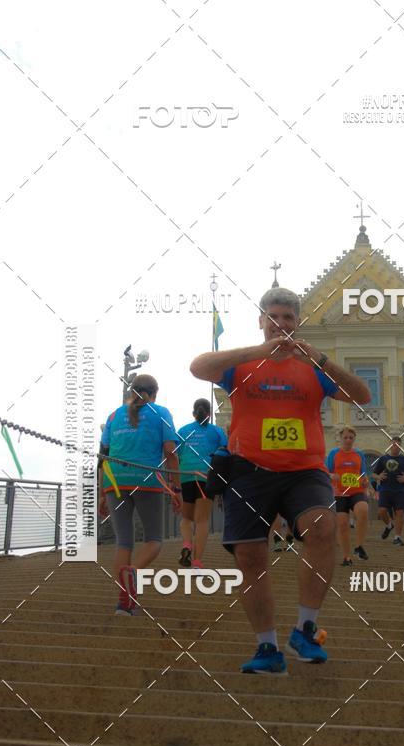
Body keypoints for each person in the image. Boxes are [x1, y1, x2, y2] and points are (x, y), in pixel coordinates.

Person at [190, 286, 371, 674]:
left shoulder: (313, 367)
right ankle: (267, 648)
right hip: (248, 471)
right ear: (261, 321)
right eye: (273, 317)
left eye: (288, 318)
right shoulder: (242, 365)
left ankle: (305, 629)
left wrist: (320, 358)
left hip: (304, 471)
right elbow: (198, 367)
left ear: (298, 323)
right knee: (250, 556)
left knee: (322, 526)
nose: (281, 324)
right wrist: (258, 352)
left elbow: (362, 395)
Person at [98, 375, 181, 615]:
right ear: (155, 392)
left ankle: (124, 603)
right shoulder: (161, 413)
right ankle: (133, 571)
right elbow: (170, 452)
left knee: (123, 541)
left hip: (115, 481)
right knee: (154, 539)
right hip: (147, 481)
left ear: (131, 391)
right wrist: (176, 488)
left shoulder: (113, 416)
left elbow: (103, 457)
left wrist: (102, 493)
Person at [177, 398, 227, 569]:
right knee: (202, 521)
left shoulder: (183, 431)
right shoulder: (217, 431)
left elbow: (176, 455)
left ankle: (186, 544)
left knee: (186, 518)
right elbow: (225, 453)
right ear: (210, 413)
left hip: (186, 476)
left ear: (194, 413)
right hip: (206, 477)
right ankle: (197, 562)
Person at [327, 426, 370, 565]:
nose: (348, 440)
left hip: (356, 491)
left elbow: (363, 473)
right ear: (340, 438)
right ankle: (347, 557)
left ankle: (359, 547)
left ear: (354, 439)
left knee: (363, 510)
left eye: (351, 438)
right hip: (339, 494)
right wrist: (332, 475)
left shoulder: (359, 454)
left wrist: (365, 482)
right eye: (345, 437)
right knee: (343, 525)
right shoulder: (333, 453)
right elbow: (325, 472)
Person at [372, 437, 404, 546]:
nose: (395, 447)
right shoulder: (383, 459)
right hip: (385, 489)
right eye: (394, 444)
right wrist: (379, 476)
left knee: (399, 513)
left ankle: (397, 537)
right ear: (390, 445)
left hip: (400, 490)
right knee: (381, 511)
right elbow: (374, 474)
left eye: (398, 445)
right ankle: (389, 525)